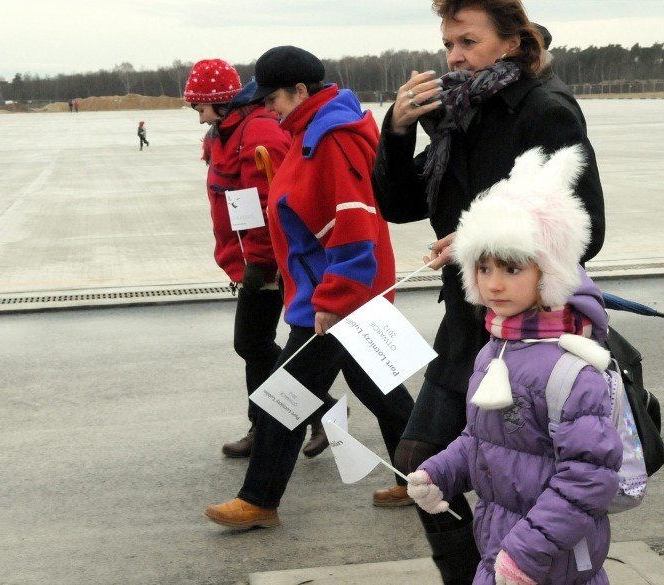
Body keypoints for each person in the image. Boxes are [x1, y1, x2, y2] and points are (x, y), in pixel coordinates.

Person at [371, 1, 605, 582]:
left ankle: (523, 566)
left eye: (468, 42)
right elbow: (399, 205)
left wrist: (485, 239)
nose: (453, 56)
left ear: (509, 42)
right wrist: (396, 131)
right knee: (418, 461)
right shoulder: (457, 116)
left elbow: (589, 229)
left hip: (536, 332)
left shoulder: (544, 112)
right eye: (448, 43)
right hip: (467, 323)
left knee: (540, 477)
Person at [203, 45, 415, 529]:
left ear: (300, 91)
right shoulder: (309, 131)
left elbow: (354, 222)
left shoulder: (331, 139)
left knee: (284, 397)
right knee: (381, 390)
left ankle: (258, 500)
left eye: (273, 99)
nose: (269, 109)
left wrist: (335, 300)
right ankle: (426, 473)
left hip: (337, 296)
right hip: (332, 291)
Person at [407, 145, 621, 585]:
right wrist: (439, 473)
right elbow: (483, 440)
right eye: (483, 268)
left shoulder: (572, 369)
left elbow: (588, 479)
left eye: (511, 267)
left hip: (552, 567)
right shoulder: (494, 350)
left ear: (550, 271)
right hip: (500, 556)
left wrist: (525, 553)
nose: (494, 283)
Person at [182, 58, 290, 458]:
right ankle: (264, 424)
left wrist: (259, 264)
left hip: (268, 264)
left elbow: (267, 205)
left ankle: (316, 408)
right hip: (247, 262)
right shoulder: (225, 133)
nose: (198, 118)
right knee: (254, 344)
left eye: (200, 108)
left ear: (222, 102)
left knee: (251, 343)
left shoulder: (257, 131)